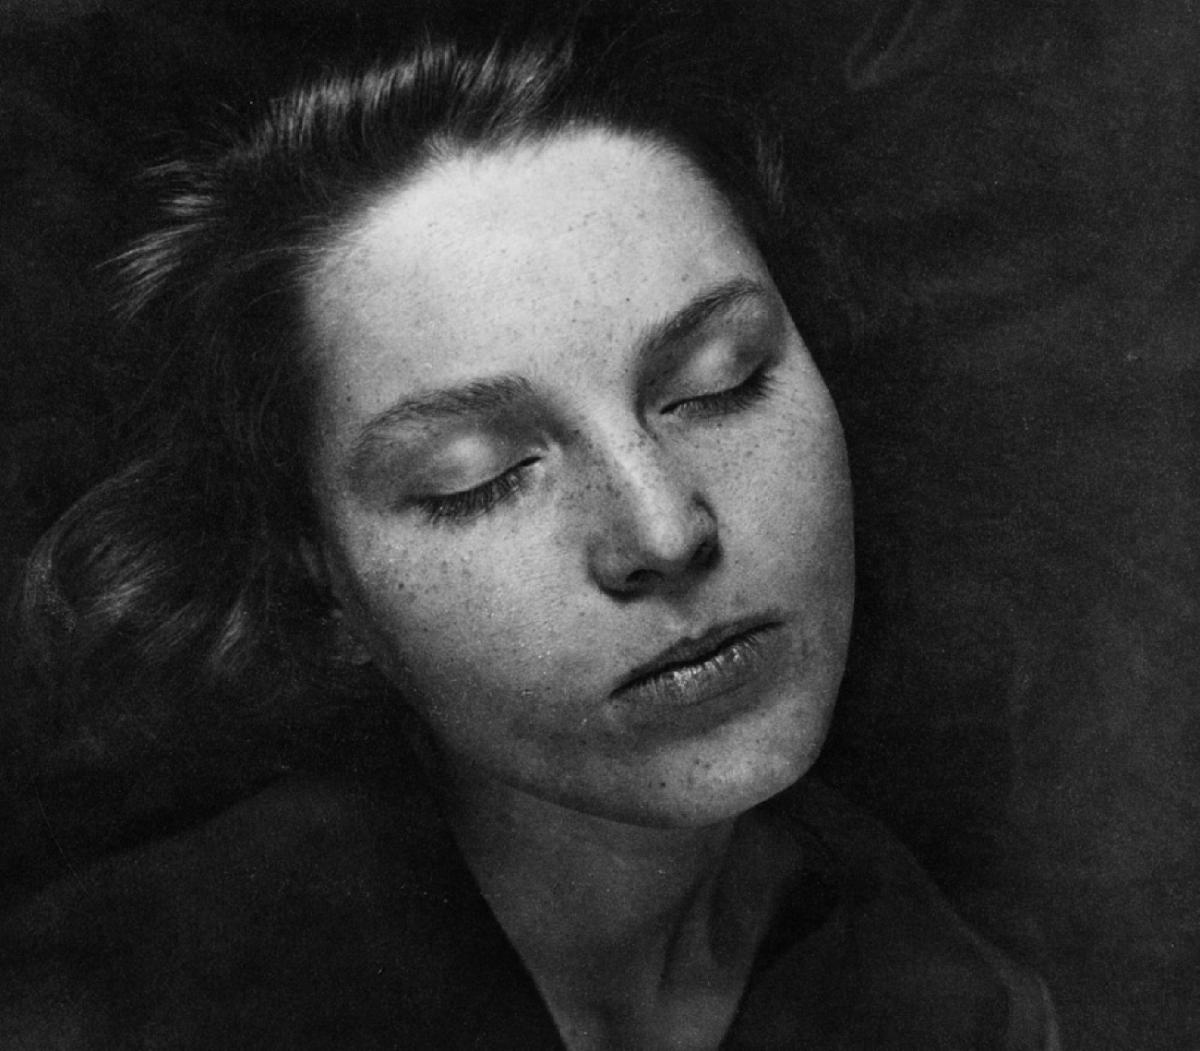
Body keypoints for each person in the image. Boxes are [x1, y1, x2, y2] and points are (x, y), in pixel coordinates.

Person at [0, 9, 1059, 1049]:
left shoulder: (957, 1001)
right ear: (316, 571)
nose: (662, 530)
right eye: (480, 477)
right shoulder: (97, 1006)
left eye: (719, 383)